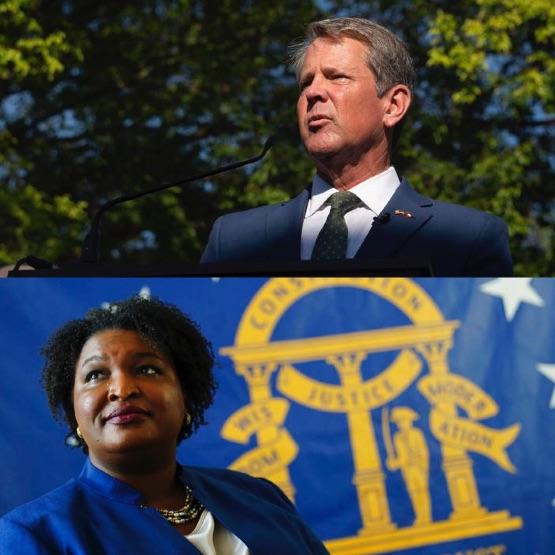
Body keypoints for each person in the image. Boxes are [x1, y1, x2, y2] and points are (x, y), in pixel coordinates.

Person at [0, 295, 328, 554]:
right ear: (75, 416)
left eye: (147, 369)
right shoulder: (34, 534)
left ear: (185, 395)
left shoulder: (259, 495)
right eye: (96, 375)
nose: (122, 389)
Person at [201, 17, 512, 276]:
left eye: (337, 78)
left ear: (393, 105)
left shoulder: (465, 239)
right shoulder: (234, 240)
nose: (314, 93)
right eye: (305, 83)